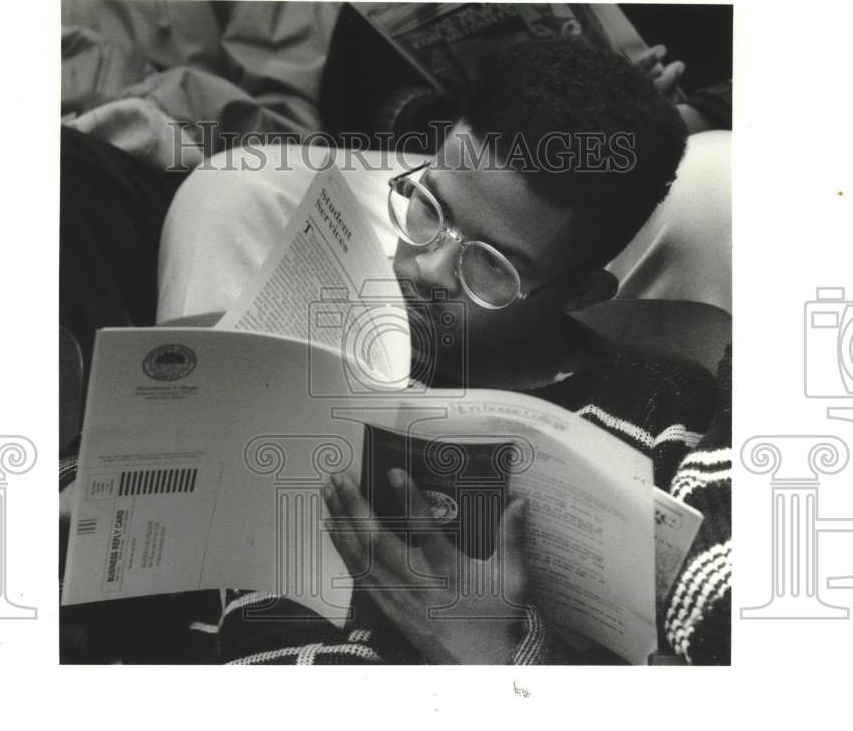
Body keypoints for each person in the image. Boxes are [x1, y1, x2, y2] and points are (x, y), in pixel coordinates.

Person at [62, 37, 732, 665]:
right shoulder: (303, 341)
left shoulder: (659, 411)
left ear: (581, 291)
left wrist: (497, 652)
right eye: (428, 211)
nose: (426, 269)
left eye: (490, 266)